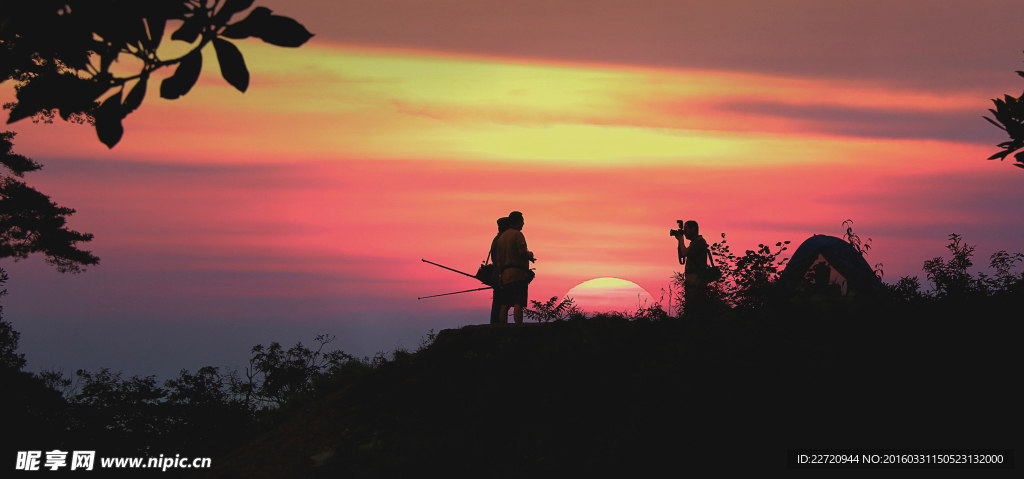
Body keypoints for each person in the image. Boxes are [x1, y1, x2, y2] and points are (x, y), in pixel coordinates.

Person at [495, 211, 535, 324]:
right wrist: (530, 255)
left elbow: (499, 260)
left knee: (505, 304)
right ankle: (518, 327)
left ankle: (502, 327)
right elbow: (522, 251)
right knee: (518, 302)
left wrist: (500, 275)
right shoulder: (518, 235)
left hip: (506, 275)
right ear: (518, 222)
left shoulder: (502, 237)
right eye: (522, 221)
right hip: (518, 274)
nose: (523, 224)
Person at [675, 220, 709, 317]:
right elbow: (682, 254)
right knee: (691, 304)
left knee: (695, 304)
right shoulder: (695, 242)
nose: (684, 232)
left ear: (693, 229)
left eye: (686, 229)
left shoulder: (699, 241)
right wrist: (679, 241)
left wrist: (681, 240)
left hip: (696, 277)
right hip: (692, 277)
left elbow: (685, 253)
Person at [488, 217, 511, 324]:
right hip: (500, 275)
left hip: (495, 274)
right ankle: (498, 326)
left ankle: (495, 324)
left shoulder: (496, 238)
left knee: (498, 302)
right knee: (501, 303)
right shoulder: (502, 240)